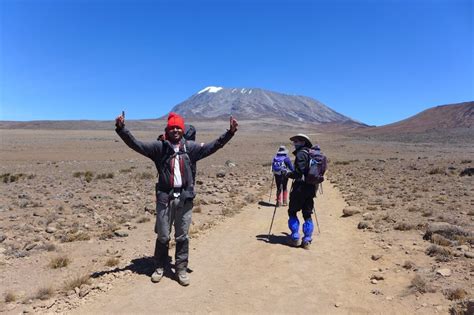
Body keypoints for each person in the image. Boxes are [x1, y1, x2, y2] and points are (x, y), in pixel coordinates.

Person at [115, 112, 238, 286]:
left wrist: (230, 132)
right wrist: (121, 129)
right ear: (167, 130)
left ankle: (180, 269)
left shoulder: (191, 148)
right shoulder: (159, 148)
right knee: (163, 236)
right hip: (165, 199)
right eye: (172, 127)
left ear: (182, 130)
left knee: (182, 236)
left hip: (185, 199)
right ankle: (159, 267)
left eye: (178, 128)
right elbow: (136, 145)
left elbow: (214, 146)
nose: (175, 130)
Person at [286, 134, 316, 249]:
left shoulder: (301, 154)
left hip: (300, 188)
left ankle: (295, 237)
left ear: (303, 142)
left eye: (297, 141)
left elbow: (298, 173)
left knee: (292, 211)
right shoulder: (311, 153)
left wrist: (288, 174)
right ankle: (307, 239)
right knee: (307, 213)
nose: (294, 143)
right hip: (310, 187)